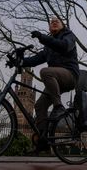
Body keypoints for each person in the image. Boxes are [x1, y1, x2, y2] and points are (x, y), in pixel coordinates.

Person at [22, 17, 79, 151]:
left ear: (62, 25)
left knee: (45, 72)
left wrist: (42, 37)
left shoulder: (68, 35)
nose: (53, 22)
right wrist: (20, 61)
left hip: (70, 75)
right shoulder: (49, 46)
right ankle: (43, 140)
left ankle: (58, 107)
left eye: (57, 21)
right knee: (40, 105)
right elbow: (36, 59)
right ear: (49, 28)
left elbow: (63, 46)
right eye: (51, 21)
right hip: (56, 80)